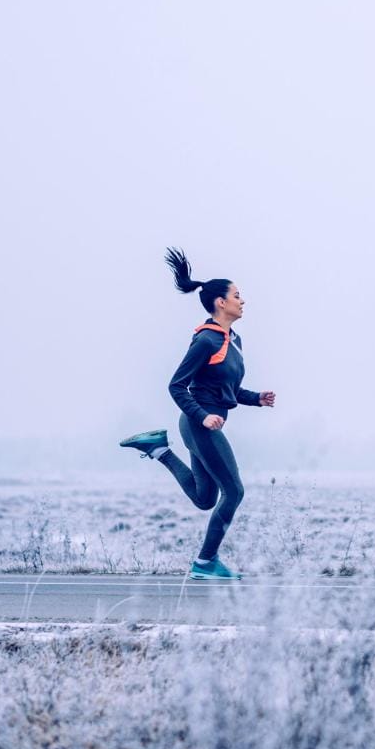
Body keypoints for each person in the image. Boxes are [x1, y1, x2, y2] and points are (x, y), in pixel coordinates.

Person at [119, 247, 275, 580]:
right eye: (237, 295)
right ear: (221, 302)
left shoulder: (234, 340)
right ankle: (205, 562)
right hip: (199, 425)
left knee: (206, 499)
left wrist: (255, 398)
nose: (242, 300)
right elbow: (177, 386)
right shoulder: (206, 339)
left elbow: (225, 390)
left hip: (201, 424)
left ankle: (158, 449)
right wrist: (203, 416)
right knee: (234, 492)